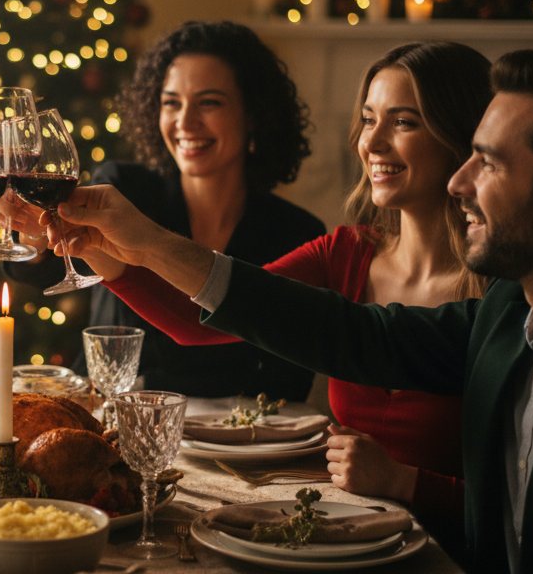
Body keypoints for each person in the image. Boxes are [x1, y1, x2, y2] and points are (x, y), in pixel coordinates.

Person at [46, 50, 533, 573]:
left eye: (487, 163)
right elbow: (340, 331)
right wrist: (139, 244)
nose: (462, 183)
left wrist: (406, 484)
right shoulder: (512, 320)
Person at [72, 41, 491, 547]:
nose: (372, 142)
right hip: (344, 538)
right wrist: (101, 250)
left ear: (463, 139)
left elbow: (527, 503)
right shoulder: (345, 253)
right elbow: (201, 318)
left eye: (404, 122)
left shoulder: (501, 291)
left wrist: (406, 482)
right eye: (368, 118)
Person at [1, 20, 324, 399]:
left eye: (209, 102)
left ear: (253, 114)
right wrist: (32, 231)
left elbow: (289, 381)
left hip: (237, 445)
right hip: (108, 420)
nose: (185, 122)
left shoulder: (298, 233)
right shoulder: (123, 188)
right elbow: (49, 268)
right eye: (171, 103)